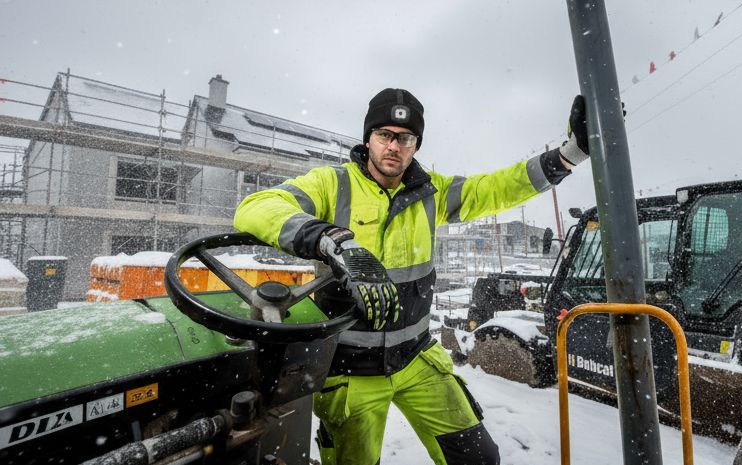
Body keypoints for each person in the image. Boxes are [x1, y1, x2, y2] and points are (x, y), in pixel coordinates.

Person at [233, 88, 592, 465]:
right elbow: (255, 207)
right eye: (384, 135)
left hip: (417, 360)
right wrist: (330, 239)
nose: (394, 146)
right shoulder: (331, 184)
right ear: (368, 138)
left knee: (478, 459)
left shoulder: (429, 192)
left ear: (415, 145)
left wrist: (568, 156)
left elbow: (494, 188)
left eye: (405, 138)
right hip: (350, 371)